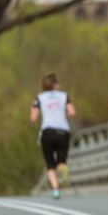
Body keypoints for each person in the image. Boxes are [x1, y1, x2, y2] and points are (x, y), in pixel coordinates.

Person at [31, 72, 76, 200]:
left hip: (48, 131)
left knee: (50, 163)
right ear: (55, 84)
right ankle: (63, 169)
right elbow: (72, 112)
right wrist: (65, 116)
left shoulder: (39, 98)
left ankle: (56, 189)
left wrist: (34, 114)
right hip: (63, 131)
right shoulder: (64, 96)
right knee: (61, 161)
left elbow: (34, 118)